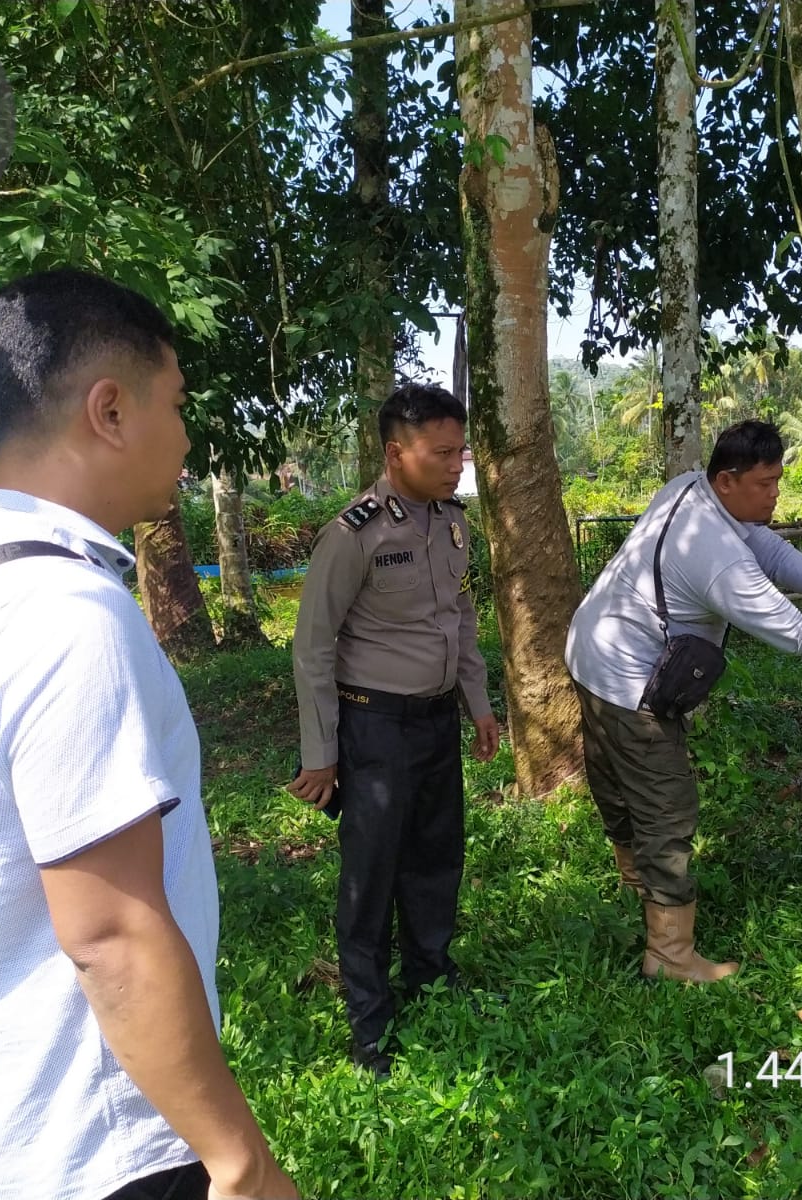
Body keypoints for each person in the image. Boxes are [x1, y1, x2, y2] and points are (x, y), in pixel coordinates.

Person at [0, 269, 297, 1200]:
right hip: (86, 1136)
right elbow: (110, 935)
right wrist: (241, 1163)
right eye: (175, 404)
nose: (187, 438)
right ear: (109, 410)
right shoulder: (66, 615)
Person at [565, 420, 802, 984]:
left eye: (778, 481)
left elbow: (763, 542)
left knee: (616, 781)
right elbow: (793, 631)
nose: (775, 495)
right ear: (727, 480)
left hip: (590, 649)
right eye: (765, 484)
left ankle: (635, 883)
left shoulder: (690, 489)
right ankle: (669, 954)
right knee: (666, 805)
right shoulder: (714, 555)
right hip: (626, 677)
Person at [287, 383, 498, 1078]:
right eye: (441, 453)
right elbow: (312, 646)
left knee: (437, 853)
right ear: (395, 453)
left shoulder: (453, 524)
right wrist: (321, 753)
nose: (456, 465)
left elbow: (460, 620)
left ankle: (431, 971)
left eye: (460, 451)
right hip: (374, 724)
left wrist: (478, 704)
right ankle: (370, 1019)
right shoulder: (356, 533)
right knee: (372, 872)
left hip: (436, 721)